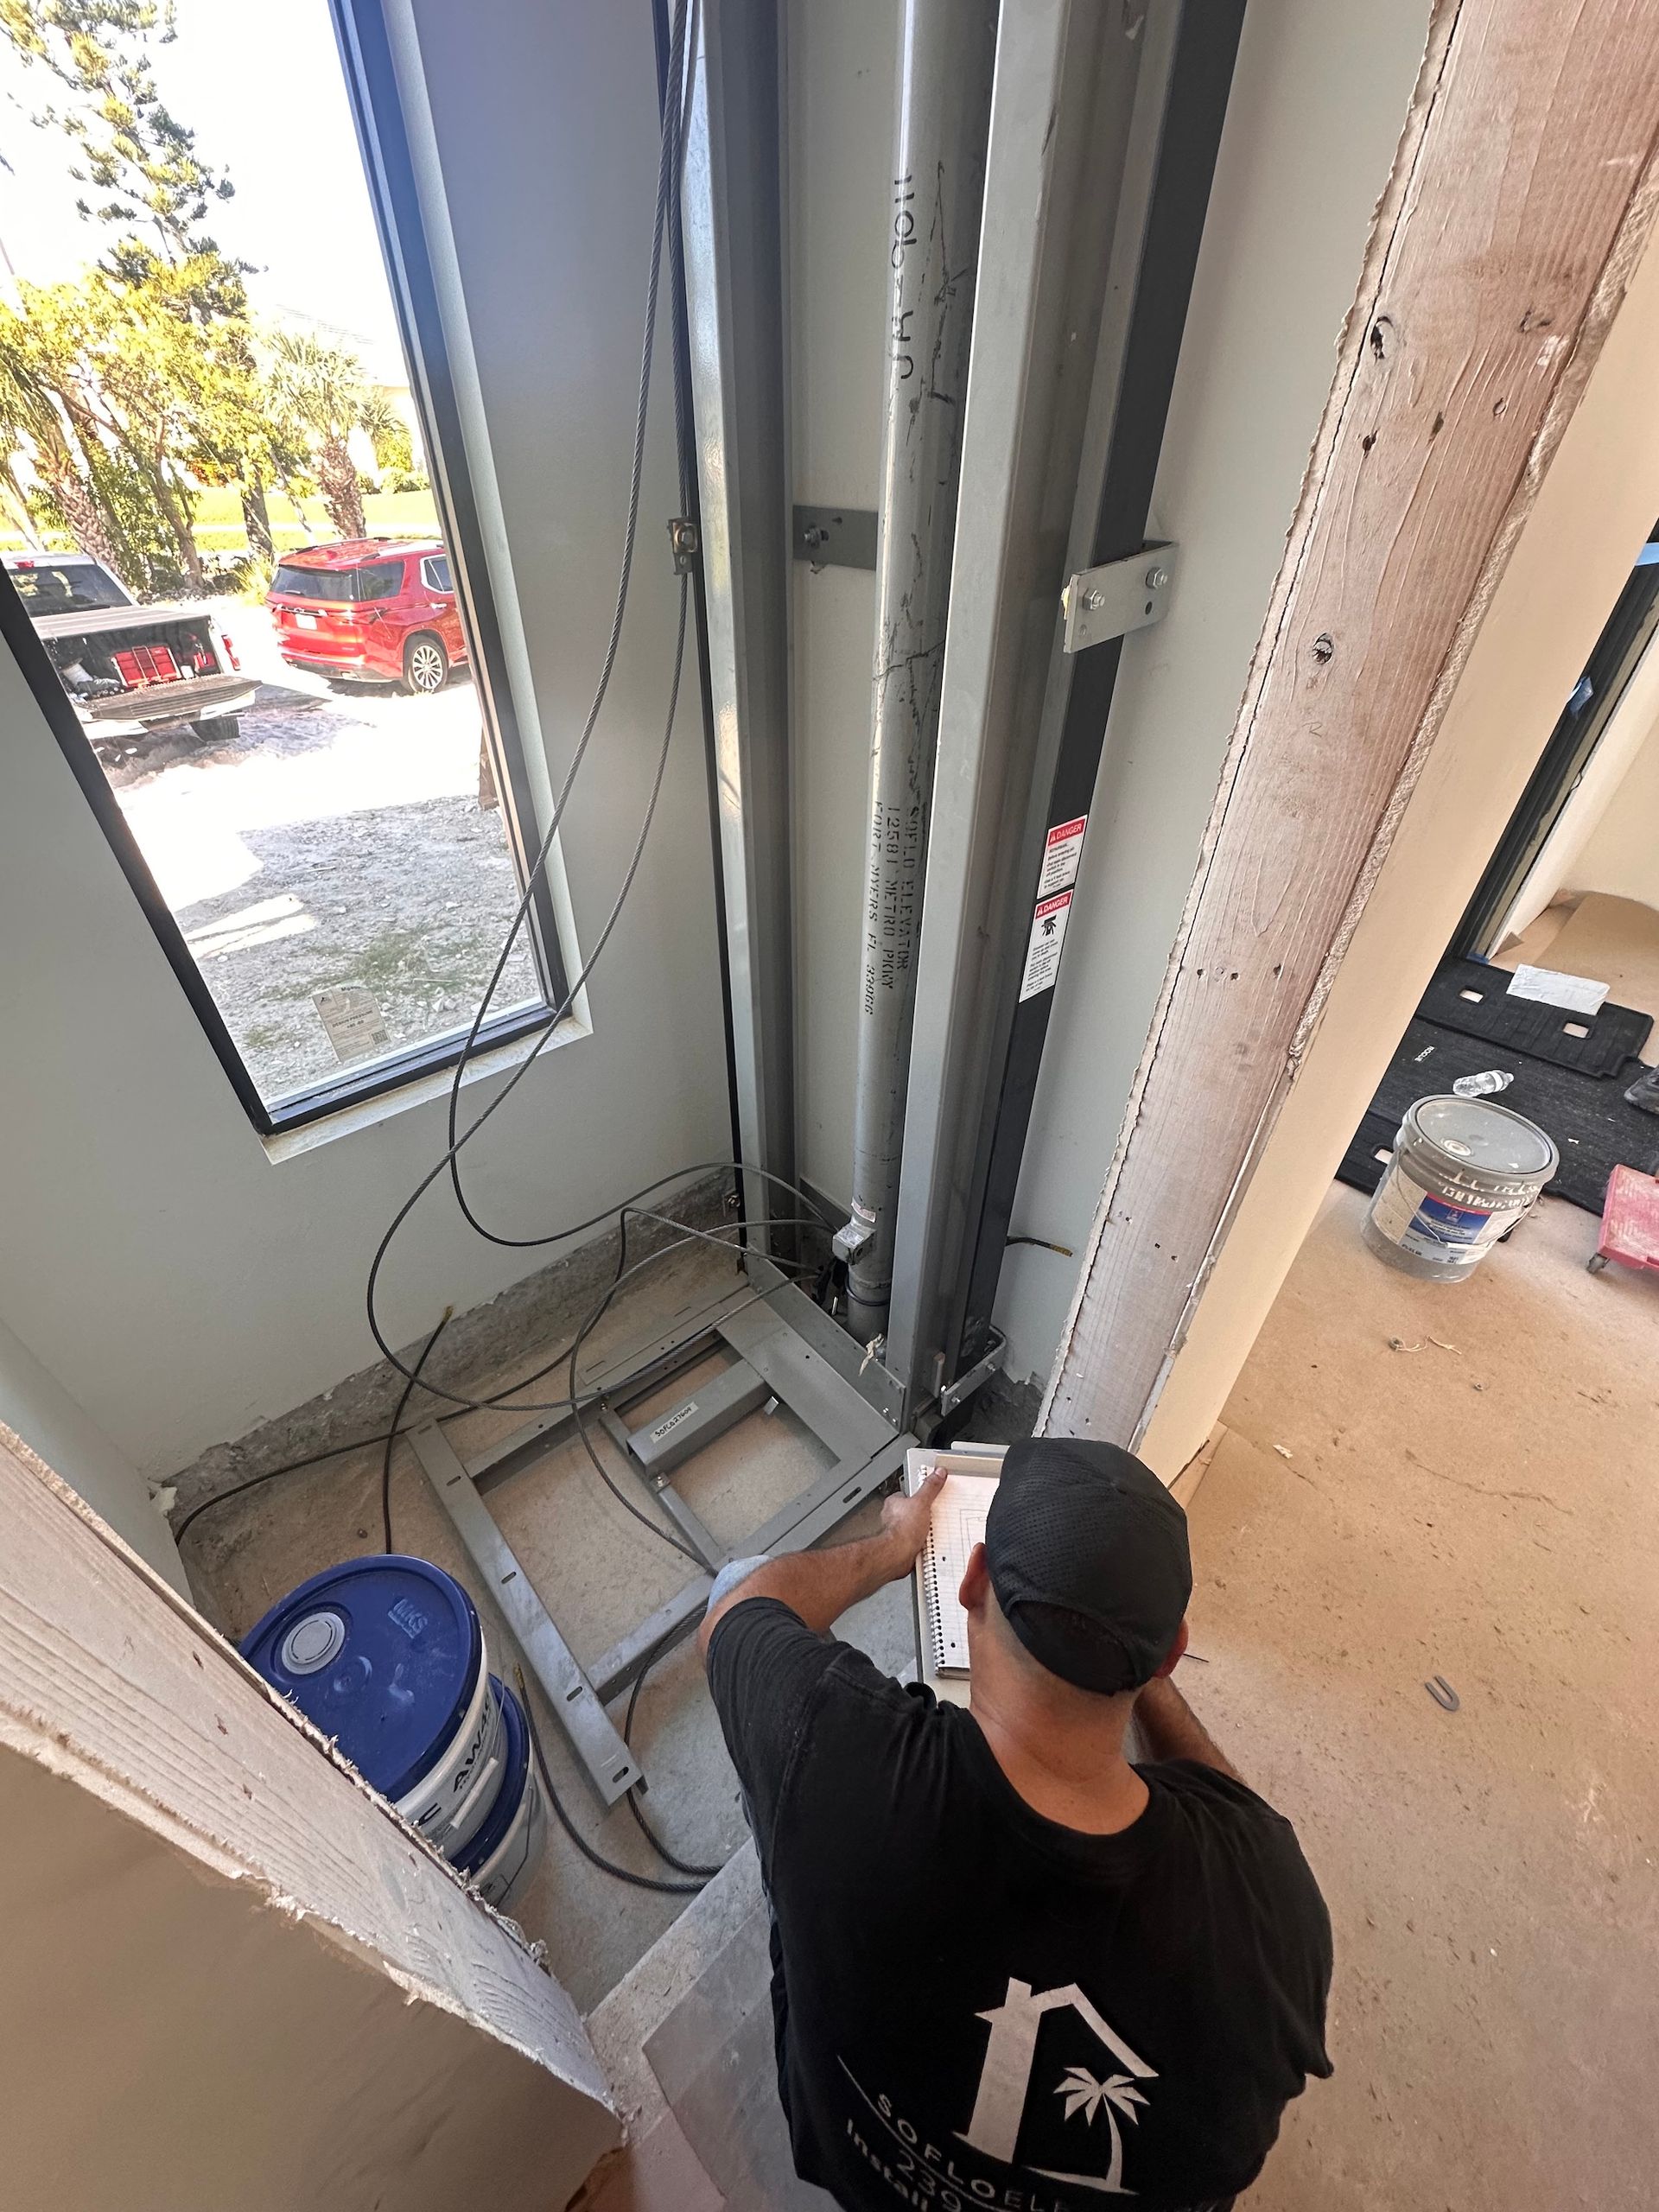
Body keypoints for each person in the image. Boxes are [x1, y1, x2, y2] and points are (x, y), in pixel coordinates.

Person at [700, 1436, 1332, 2212]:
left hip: (857, 2171)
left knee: (740, 1593)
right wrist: (1124, 1663)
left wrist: (894, 1546)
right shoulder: (1273, 1911)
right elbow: (1239, 1816)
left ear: (971, 1581)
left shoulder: (837, 1752)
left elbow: (736, 1614)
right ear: (1173, 1654)